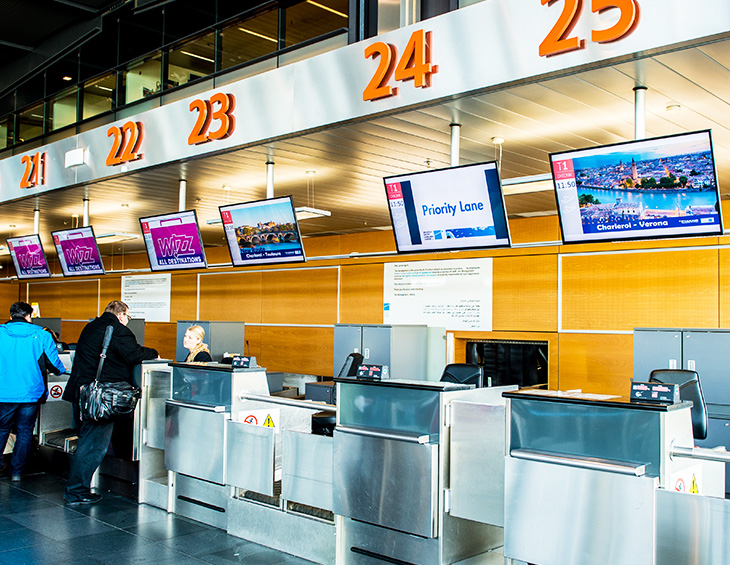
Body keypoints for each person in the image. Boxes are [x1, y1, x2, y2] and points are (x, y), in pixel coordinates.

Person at [62, 300, 158, 506]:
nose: (127, 321)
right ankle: (76, 491)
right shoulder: (117, 330)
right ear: (122, 315)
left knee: (86, 440)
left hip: (81, 392)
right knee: (93, 445)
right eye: (128, 317)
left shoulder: (91, 326)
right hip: (100, 398)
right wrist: (154, 353)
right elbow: (134, 353)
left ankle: (77, 488)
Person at [0, 301, 66, 481]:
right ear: (29, 316)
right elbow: (55, 365)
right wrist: (61, 371)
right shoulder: (41, 334)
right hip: (31, 392)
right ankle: (16, 472)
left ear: (11, 315)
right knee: (24, 431)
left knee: (2, 429)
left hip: (3, 392)